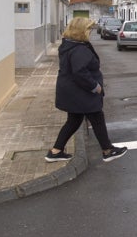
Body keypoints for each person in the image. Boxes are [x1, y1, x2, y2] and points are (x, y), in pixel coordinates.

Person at [45, 17, 128, 163]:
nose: (91, 31)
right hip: (81, 92)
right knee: (96, 118)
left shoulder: (70, 45)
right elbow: (79, 73)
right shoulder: (79, 49)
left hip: (72, 91)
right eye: (89, 28)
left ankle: (56, 151)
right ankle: (107, 150)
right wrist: (95, 87)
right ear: (81, 31)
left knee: (74, 120)